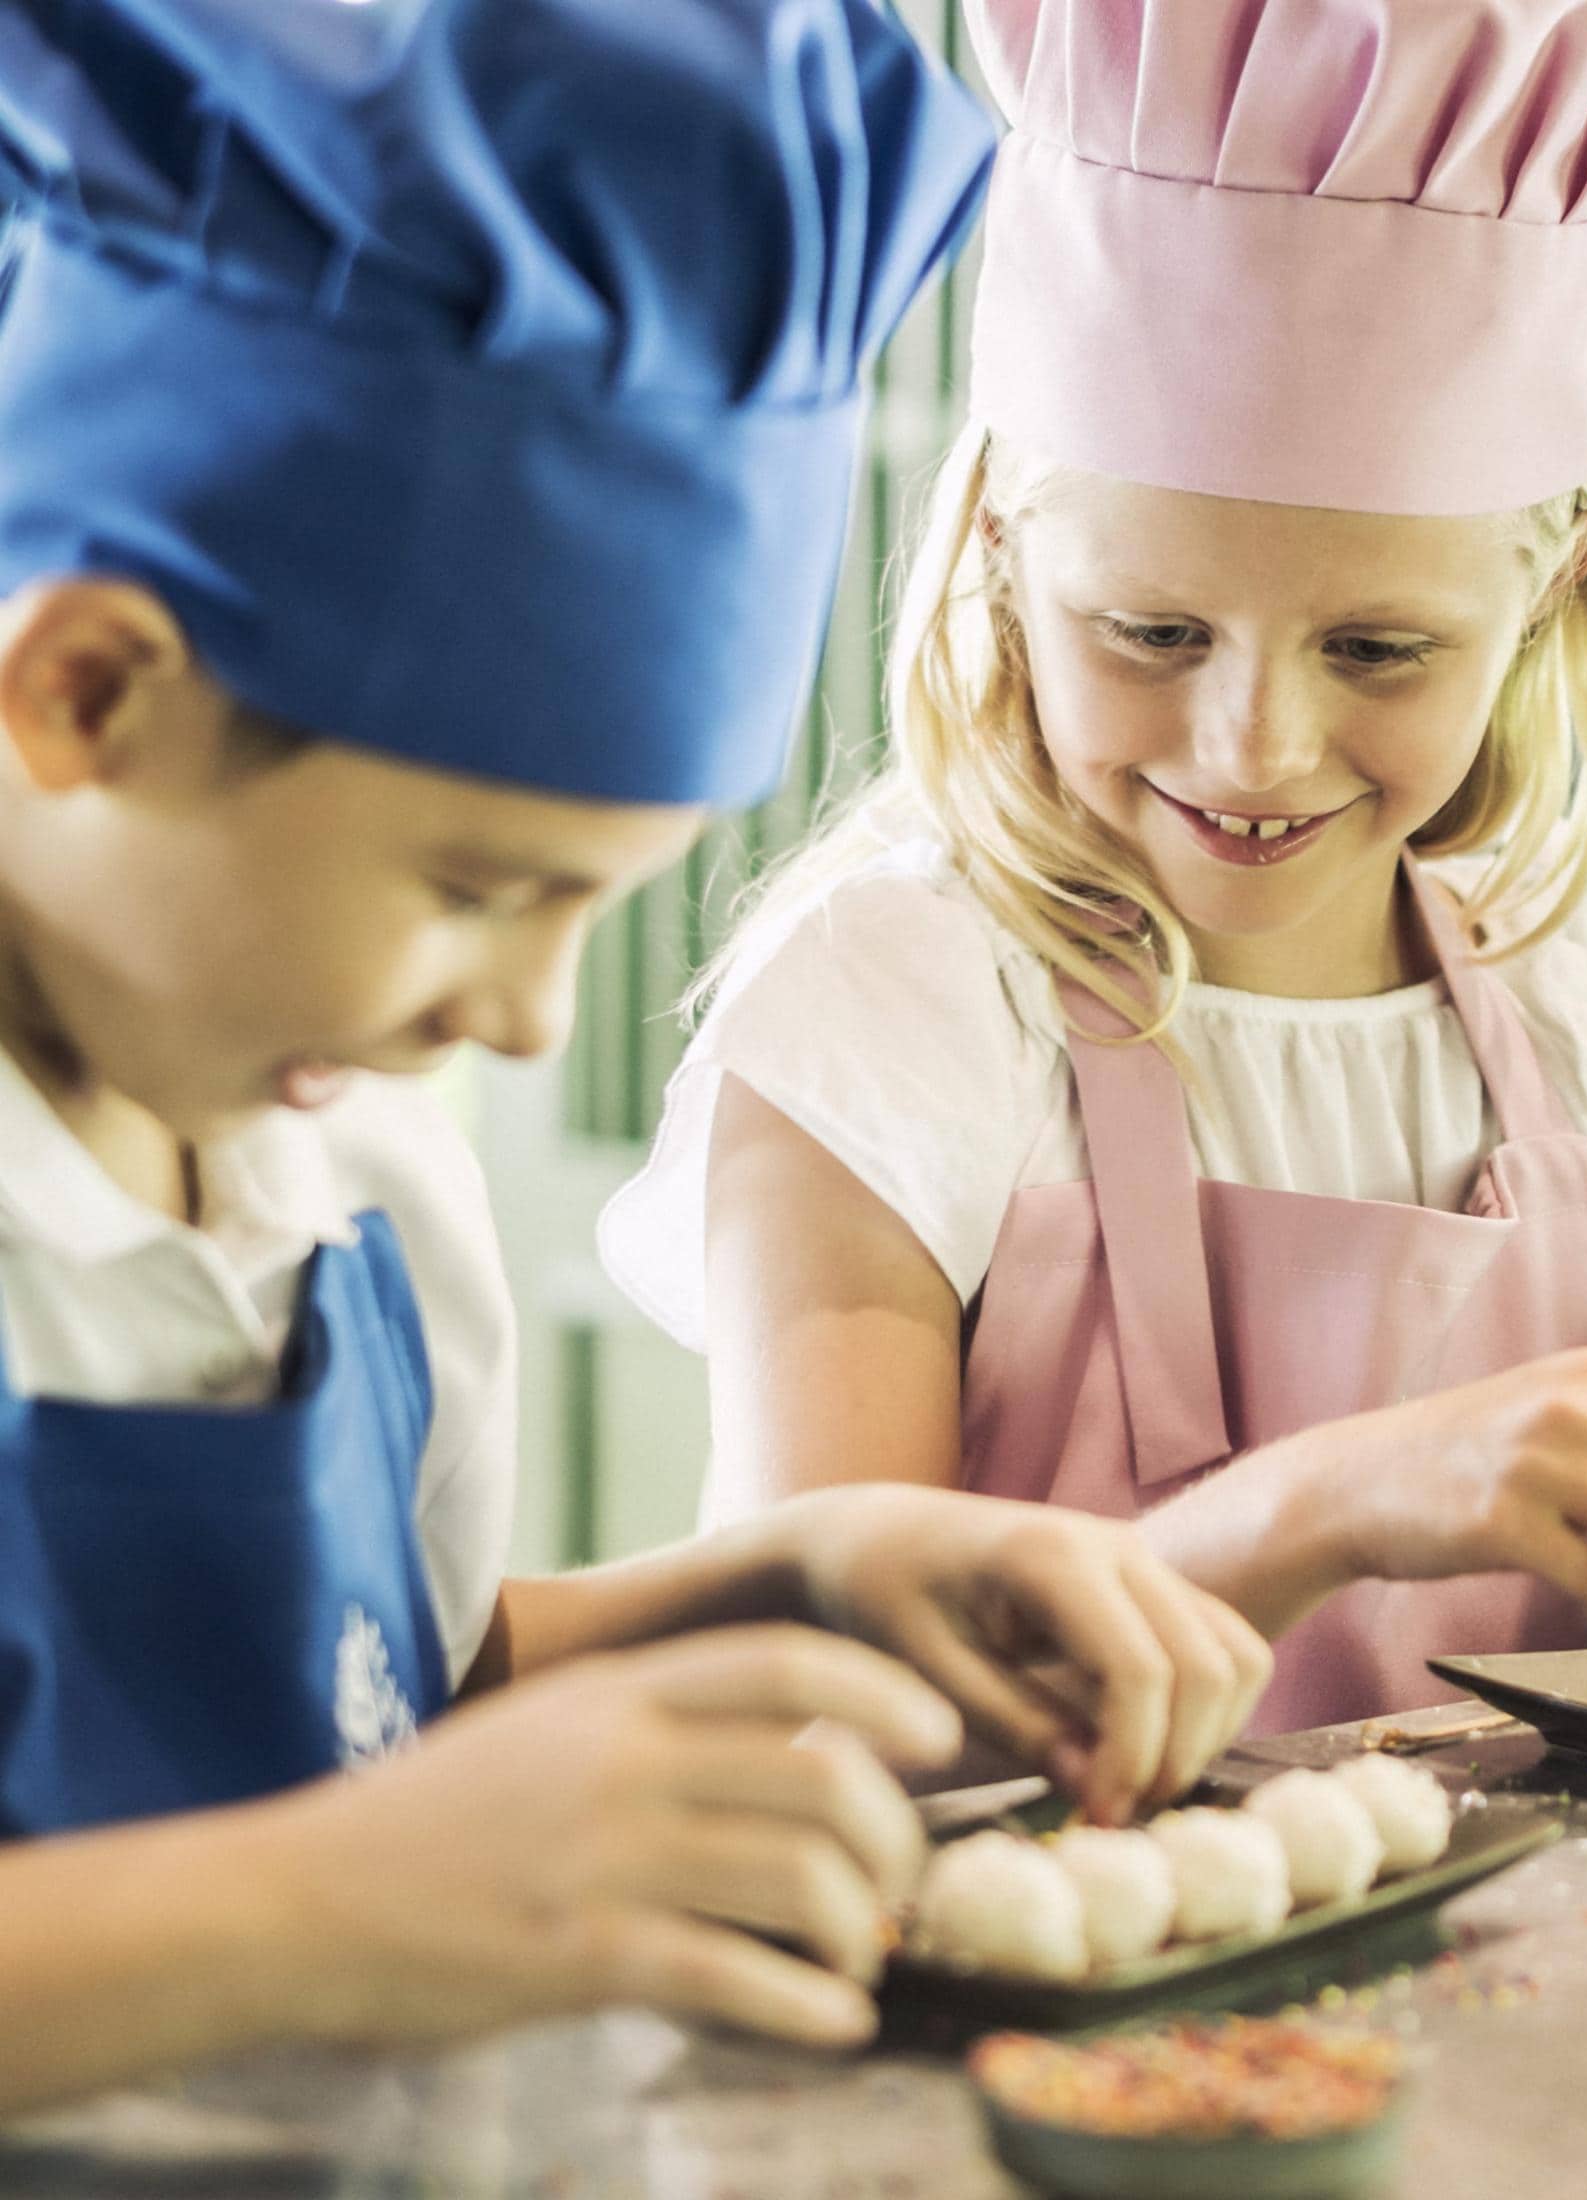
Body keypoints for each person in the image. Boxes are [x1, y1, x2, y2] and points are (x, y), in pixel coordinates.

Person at [0, 0, 1275, 2115]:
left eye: (606, 901)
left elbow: (381, 1688)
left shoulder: (344, 1165)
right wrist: (318, 1907)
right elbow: (344, 1845)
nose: (525, 1017)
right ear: (90, 691)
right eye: (481, 885)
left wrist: (799, 1580)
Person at [602, 0, 1587, 1732]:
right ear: (1003, 552)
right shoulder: (898, 1019)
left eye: (1379, 653)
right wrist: (1324, 1506)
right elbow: (794, 1699)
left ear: (1550, 591)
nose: (1250, 749)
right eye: (1151, 630)